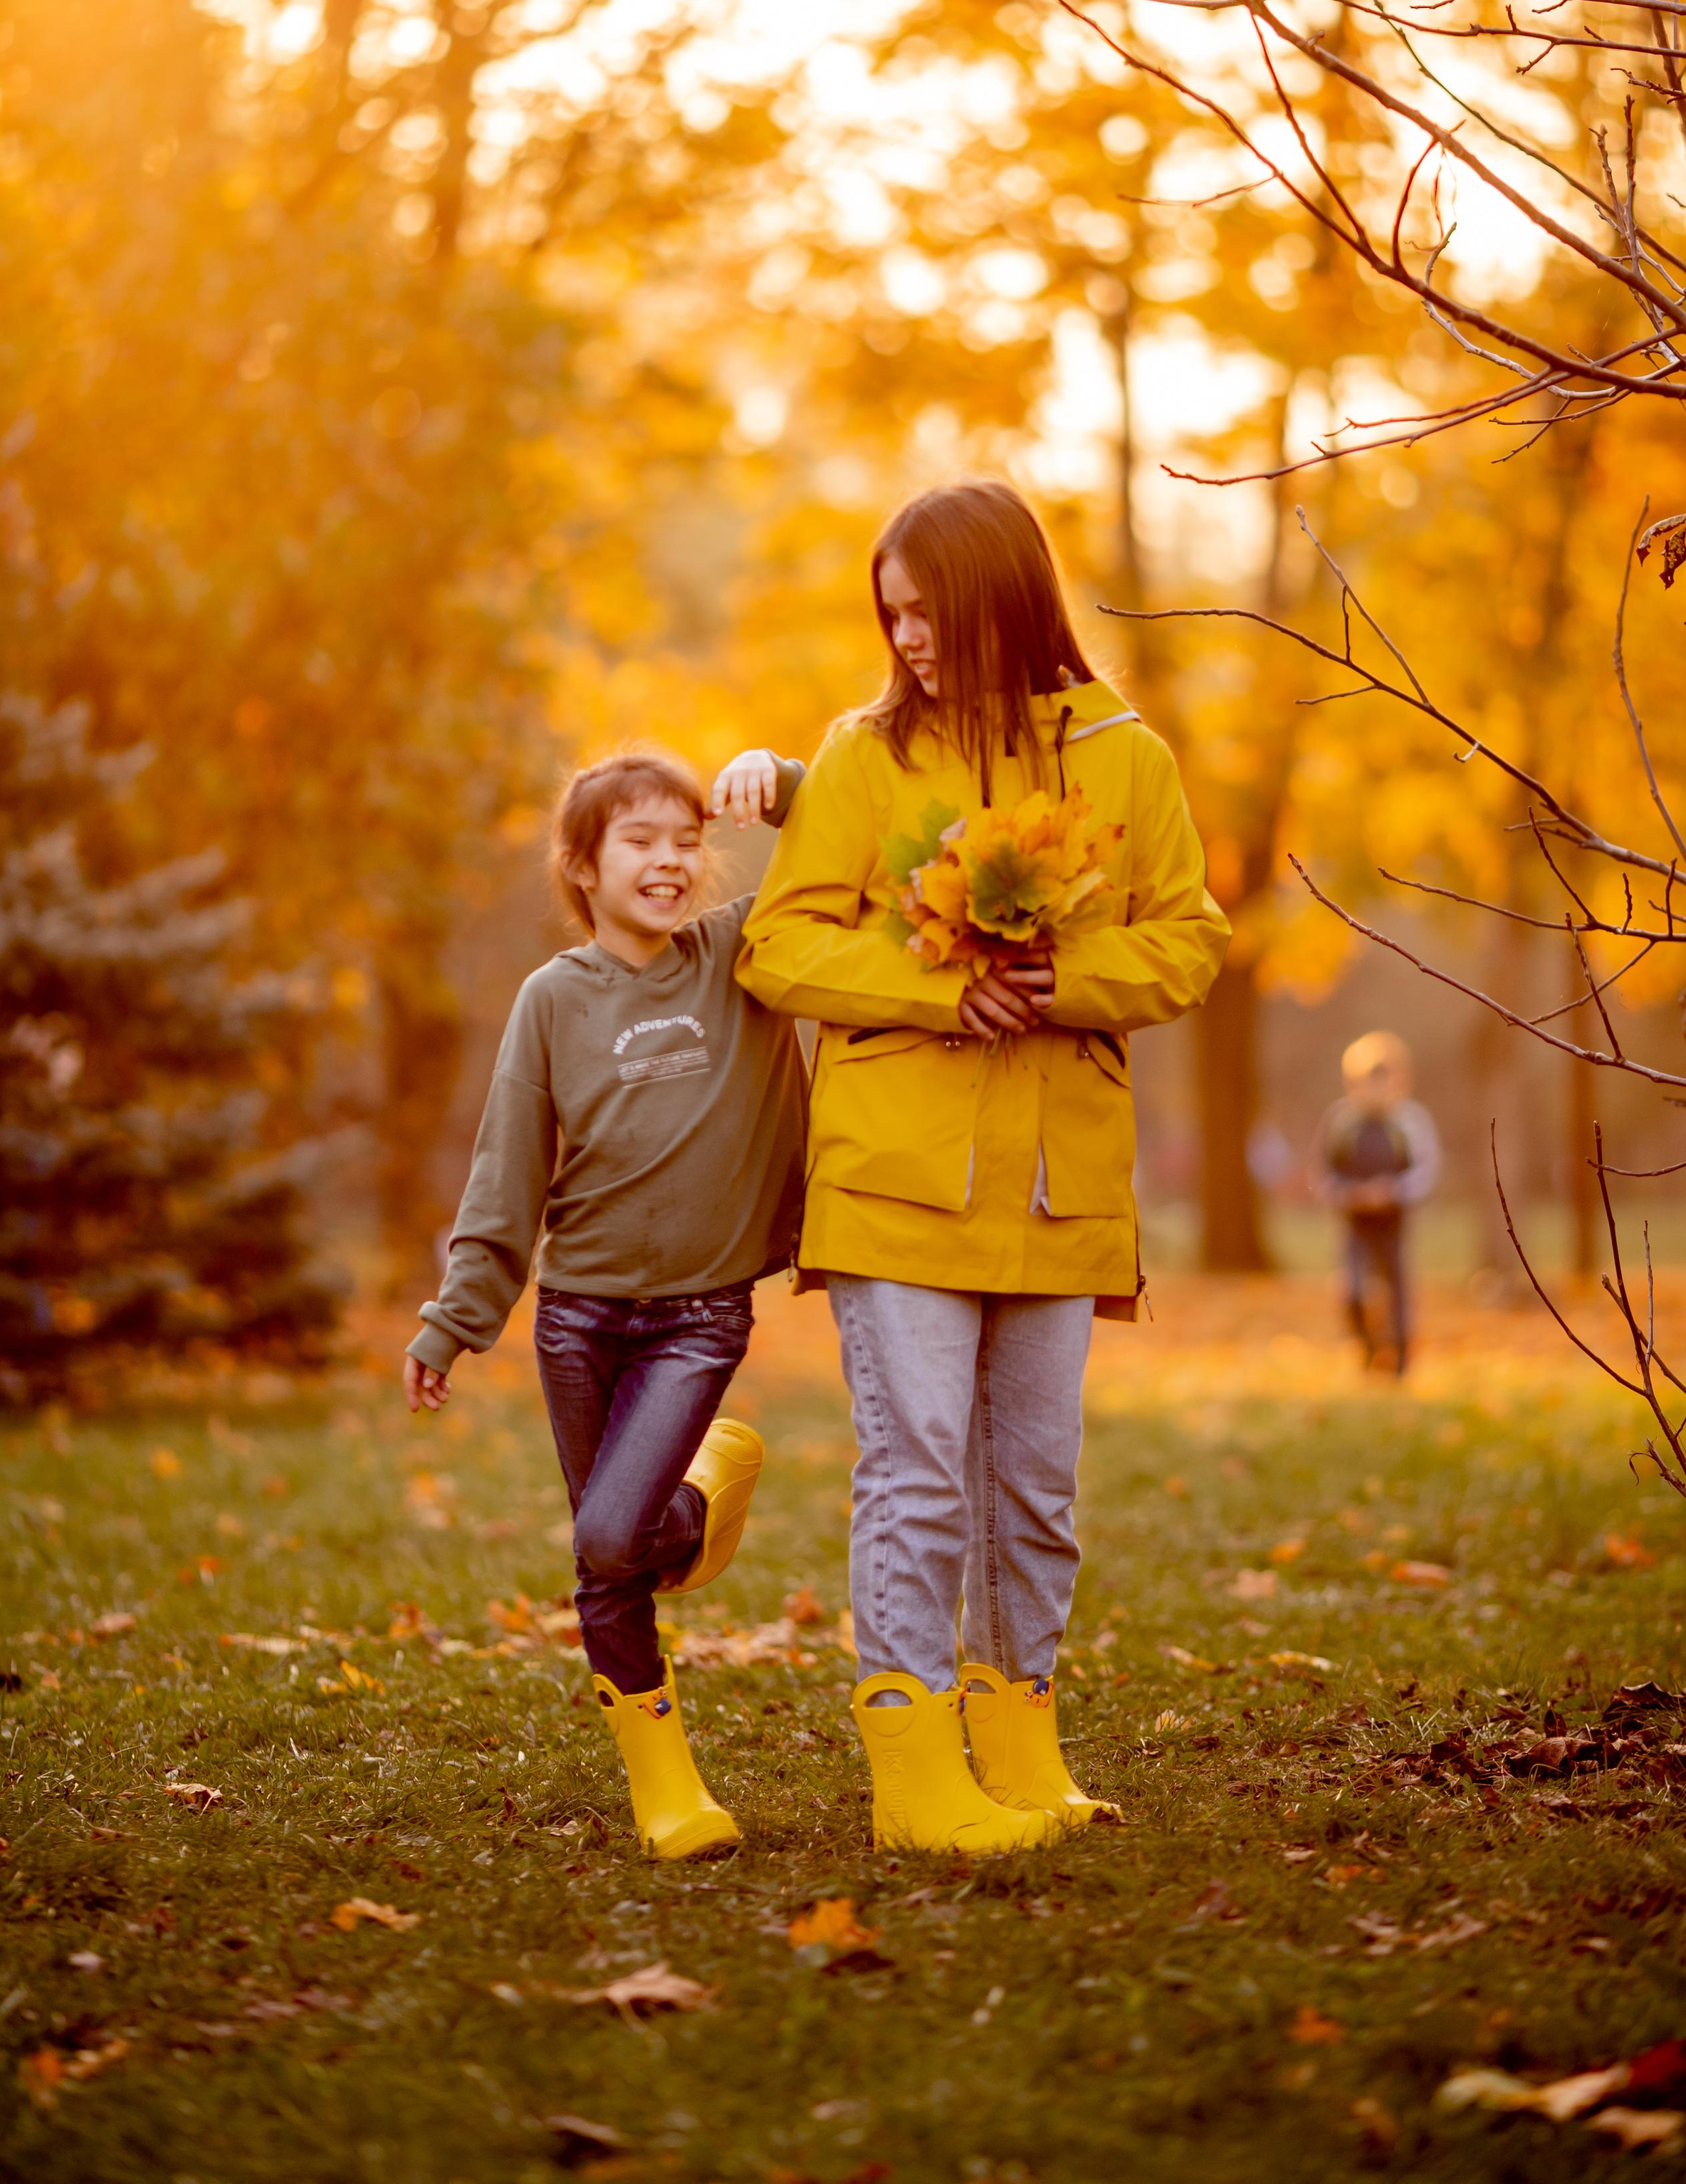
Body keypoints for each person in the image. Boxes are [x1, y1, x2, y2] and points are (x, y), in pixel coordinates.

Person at [727, 479, 1228, 1856]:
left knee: (1035, 1490)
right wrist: (935, 984)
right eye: (890, 618)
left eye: (927, 612)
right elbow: (778, 944)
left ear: (1001, 598)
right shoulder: (862, 755)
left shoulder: (1126, 756)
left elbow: (1189, 939)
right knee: (921, 1472)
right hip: (899, 1186)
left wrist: (1069, 973)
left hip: (1061, 1191)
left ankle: (1021, 1745)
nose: (909, 641)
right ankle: (914, 1766)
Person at [402, 746, 807, 1861]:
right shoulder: (551, 1000)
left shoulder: (742, 952)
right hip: (580, 1314)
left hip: (699, 1316)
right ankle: (664, 1784)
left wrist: (787, 782)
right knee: (609, 1557)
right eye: (641, 841)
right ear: (583, 867)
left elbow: (853, 843)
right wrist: (457, 1315)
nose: (670, 861)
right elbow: (508, 1169)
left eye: (687, 841)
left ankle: (690, 1491)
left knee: (605, 1533)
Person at [1311, 1030, 1439, 1378]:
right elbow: (1323, 1175)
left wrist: (1393, 1192)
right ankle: (1366, 1347)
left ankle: (1399, 1359)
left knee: (1397, 1287)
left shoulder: (1410, 1122)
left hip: (1395, 1220)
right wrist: (1350, 1195)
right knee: (1352, 1289)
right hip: (1354, 1221)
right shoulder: (1341, 1122)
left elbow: (1427, 1172)